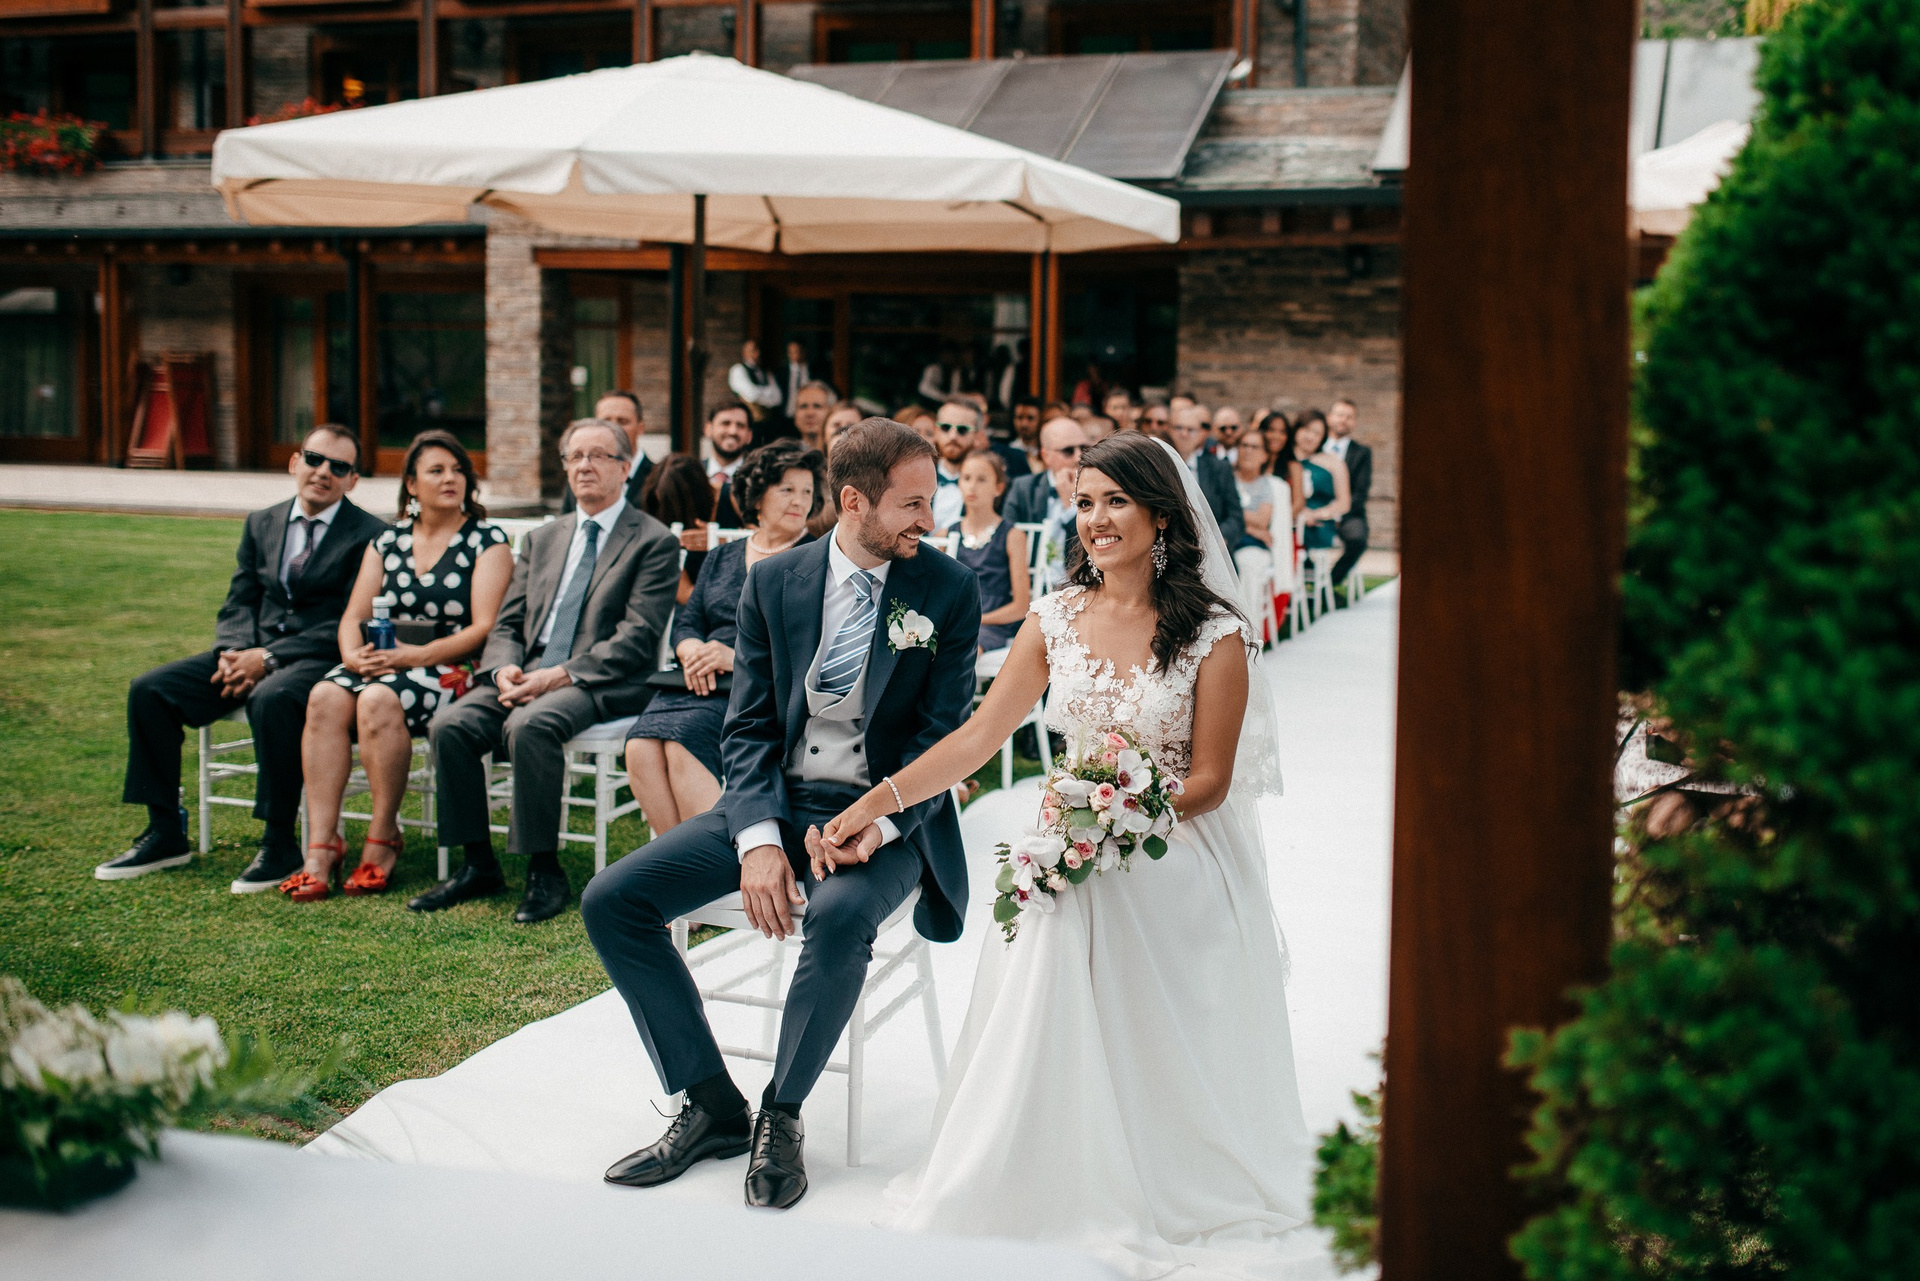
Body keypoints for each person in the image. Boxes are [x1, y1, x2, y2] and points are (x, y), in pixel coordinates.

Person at [816, 432, 1306, 1278]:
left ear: (1161, 514)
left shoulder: (1216, 634)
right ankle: (1027, 1164)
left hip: (1174, 845)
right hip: (1071, 839)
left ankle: (1122, 1168)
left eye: (1116, 501)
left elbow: (1212, 781)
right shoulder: (1054, 618)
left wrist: (1116, 819)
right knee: (1054, 885)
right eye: (1083, 502)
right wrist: (874, 801)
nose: (1096, 519)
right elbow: (976, 736)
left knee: (1071, 885)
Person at [582, 418, 981, 1211]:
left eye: (930, 501)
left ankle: (782, 1111)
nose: (928, 520)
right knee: (612, 900)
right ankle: (711, 1103)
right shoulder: (775, 581)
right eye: (911, 504)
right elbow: (750, 726)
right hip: (776, 800)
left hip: (889, 813)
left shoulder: (948, 587)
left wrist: (878, 821)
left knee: (838, 916)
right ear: (854, 501)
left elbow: (944, 739)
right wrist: (759, 841)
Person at [415, 419, 681, 925]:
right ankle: (478, 863)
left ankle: (544, 870)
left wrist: (555, 677)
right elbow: (507, 621)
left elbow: (636, 639)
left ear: (625, 468)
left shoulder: (653, 540)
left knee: (531, 725)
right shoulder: (542, 538)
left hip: (600, 681)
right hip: (526, 673)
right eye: (575, 456)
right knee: (450, 725)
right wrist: (504, 669)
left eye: (598, 455)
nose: (584, 466)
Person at [99, 425, 387, 888]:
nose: (323, 472)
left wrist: (268, 658)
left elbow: (348, 618)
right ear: (295, 462)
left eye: (339, 467)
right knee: (151, 690)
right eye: (314, 459)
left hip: (319, 657)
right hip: (249, 651)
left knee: (273, 698)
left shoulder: (372, 535)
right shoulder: (262, 522)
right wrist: (233, 653)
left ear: (352, 480)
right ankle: (165, 830)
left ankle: (279, 842)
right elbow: (240, 599)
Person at [291, 431, 514, 901]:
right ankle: (322, 845)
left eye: (458, 470)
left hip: (452, 668)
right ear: (411, 484)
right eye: (437, 471)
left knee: (377, 698)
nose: (450, 478)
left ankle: (382, 836)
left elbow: (484, 628)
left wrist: (412, 658)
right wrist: (352, 655)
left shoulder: (486, 540)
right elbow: (352, 616)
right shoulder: (387, 540)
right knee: (325, 695)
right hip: (385, 660)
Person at [625, 441, 823, 838]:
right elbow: (688, 622)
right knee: (640, 746)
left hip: (759, 688)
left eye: (807, 490)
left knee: (683, 743)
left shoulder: (817, 560)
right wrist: (692, 650)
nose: (799, 500)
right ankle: (676, 858)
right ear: (758, 495)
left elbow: (813, 645)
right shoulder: (722, 556)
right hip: (696, 678)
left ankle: (709, 857)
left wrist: (733, 658)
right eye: (787, 489)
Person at [953, 450, 1031, 651]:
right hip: (954, 619)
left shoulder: (1012, 536)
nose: (972, 486)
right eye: (966, 478)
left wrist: (978, 619)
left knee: (965, 647)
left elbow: (1021, 605)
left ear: (999, 488)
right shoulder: (948, 534)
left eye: (981, 480)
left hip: (991, 624)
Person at [1004, 416, 1088, 590]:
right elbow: (1005, 540)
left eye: (1084, 448)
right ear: (1046, 456)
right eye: (1068, 450)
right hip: (1030, 586)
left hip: (1079, 587)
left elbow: (1089, 549)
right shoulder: (1023, 488)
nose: (1078, 456)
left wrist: (1071, 507)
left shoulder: (1096, 491)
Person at [1169, 404, 1247, 550]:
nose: (1184, 434)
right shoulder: (1159, 466)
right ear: (1169, 430)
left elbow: (1235, 516)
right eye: (1179, 428)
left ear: (1200, 434)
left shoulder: (1219, 468)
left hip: (1213, 548)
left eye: (1190, 429)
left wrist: (1220, 538)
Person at [638, 453, 714, 604]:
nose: (663, 511)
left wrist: (716, 541)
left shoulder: (726, 503)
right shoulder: (652, 525)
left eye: (669, 505)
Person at [562, 391, 653, 513]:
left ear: (640, 428)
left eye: (622, 421)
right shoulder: (582, 475)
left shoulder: (657, 478)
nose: (613, 428)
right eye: (605, 422)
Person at [1229, 431, 1283, 627]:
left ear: (1265, 455)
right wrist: (1252, 529)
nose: (1248, 451)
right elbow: (1214, 512)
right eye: (1244, 445)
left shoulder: (1266, 485)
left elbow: (1262, 519)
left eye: (1254, 447)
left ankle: (1250, 631)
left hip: (1251, 545)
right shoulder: (1226, 478)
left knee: (1249, 563)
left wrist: (1234, 514)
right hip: (1228, 539)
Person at [1323, 397, 1373, 593]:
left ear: (1354, 422)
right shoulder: (1316, 446)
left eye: (1349, 417)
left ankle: (1328, 585)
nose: (1343, 420)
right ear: (1329, 418)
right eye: (1339, 415)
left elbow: (1360, 491)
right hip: (1315, 510)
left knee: (1358, 539)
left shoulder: (1362, 453)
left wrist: (1337, 514)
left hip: (1348, 514)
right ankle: (1304, 580)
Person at [1287, 410, 1352, 554]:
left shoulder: (1333, 462)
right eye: (1307, 430)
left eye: (1317, 434)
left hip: (1319, 523)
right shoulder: (1283, 460)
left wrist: (1316, 514)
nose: (1310, 437)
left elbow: (1343, 503)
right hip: (1288, 520)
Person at [929, 399, 981, 532]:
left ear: (977, 436)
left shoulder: (986, 484)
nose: (953, 436)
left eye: (962, 430)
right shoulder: (918, 475)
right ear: (936, 431)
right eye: (945, 427)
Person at [704, 402, 755, 528]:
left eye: (740, 426)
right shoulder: (694, 473)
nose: (732, 431)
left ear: (749, 436)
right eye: (725, 423)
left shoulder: (759, 476)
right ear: (708, 429)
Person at [727, 340, 783, 424]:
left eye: (758, 350)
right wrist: (768, 393)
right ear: (744, 353)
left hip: (768, 420)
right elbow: (751, 395)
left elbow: (778, 398)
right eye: (753, 350)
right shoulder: (738, 370)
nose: (758, 353)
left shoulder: (766, 372)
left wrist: (760, 394)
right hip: (747, 421)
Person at [779, 343, 825, 422]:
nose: (795, 355)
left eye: (797, 351)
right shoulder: (781, 373)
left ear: (804, 352)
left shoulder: (816, 372)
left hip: (809, 416)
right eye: (791, 352)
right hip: (786, 416)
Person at [789, 380, 833, 452]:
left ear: (831, 412)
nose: (810, 413)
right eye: (803, 406)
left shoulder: (839, 456)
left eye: (817, 406)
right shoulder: (785, 456)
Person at [1009, 395, 1043, 470]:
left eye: (1030, 418)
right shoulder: (1008, 451)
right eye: (1019, 417)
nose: (1024, 424)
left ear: (1040, 419)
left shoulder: (1047, 452)